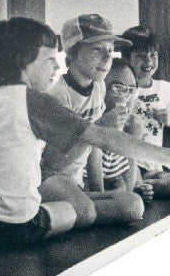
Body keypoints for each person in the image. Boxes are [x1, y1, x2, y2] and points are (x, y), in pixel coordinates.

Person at [0, 17, 170, 255]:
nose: (55, 69)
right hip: (17, 227)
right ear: (25, 63)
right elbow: (103, 138)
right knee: (79, 213)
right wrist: (165, 156)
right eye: (48, 61)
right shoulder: (35, 100)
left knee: (111, 204)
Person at [39, 14, 145, 226]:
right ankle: (44, 216)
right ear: (73, 54)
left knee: (132, 203)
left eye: (110, 49)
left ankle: (64, 216)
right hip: (47, 179)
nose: (107, 58)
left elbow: (94, 150)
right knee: (114, 209)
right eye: (97, 49)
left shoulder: (99, 87)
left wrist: (98, 190)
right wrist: (96, 129)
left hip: (75, 182)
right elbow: (53, 161)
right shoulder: (58, 96)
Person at [120, 26, 170, 199]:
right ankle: (135, 187)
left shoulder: (164, 88)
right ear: (126, 58)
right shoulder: (121, 87)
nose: (148, 62)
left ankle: (139, 188)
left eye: (153, 55)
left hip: (154, 167)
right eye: (140, 56)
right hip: (126, 163)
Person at [101, 59, 154, 203]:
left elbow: (126, 184)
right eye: (118, 88)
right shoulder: (94, 129)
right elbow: (93, 191)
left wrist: (136, 189)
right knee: (132, 206)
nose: (125, 97)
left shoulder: (125, 131)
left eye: (131, 90)